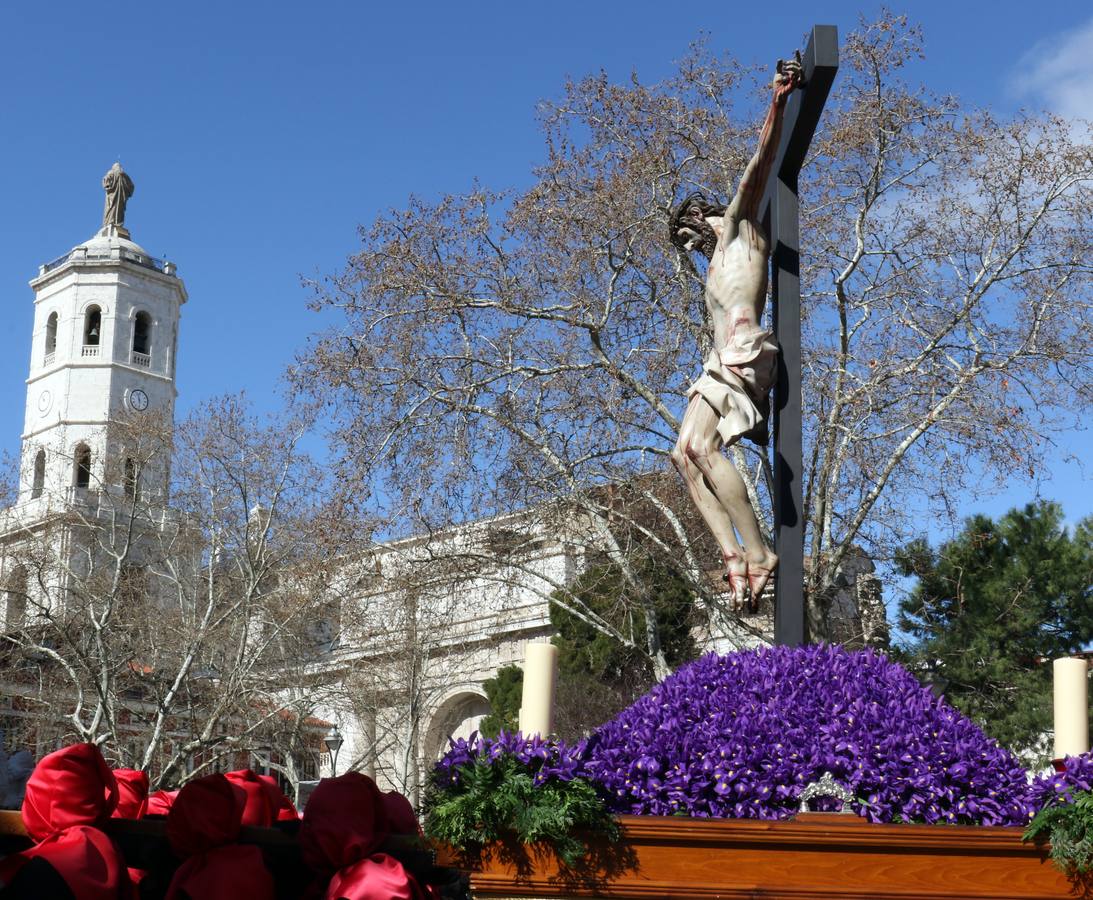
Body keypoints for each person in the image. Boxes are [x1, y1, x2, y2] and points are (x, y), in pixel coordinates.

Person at [669, 53, 803, 611]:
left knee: (699, 445)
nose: (689, 243)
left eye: (688, 230)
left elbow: (761, 161)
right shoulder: (716, 261)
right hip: (723, 359)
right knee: (683, 455)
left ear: (707, 216)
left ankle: (759, 551)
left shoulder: (741, 230)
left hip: (744, 353)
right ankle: (733, 554)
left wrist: (778, 100)